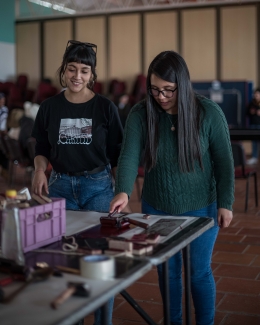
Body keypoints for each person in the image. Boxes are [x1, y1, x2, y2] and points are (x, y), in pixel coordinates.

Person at [110, 51, 234, 325]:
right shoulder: (141, 113)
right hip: (157, 206)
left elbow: (224, 162)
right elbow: (129, 156)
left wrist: (226, 202)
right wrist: (123, 191)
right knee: (168, 272)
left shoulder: (208, 113)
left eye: (169, 90)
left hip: (203, 206)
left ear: (183, 84)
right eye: (154, 89)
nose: (161, 96)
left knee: (198, 272)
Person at [31, 40, 125, 325]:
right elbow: (41, 148)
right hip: (59, 187)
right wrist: (38, 170)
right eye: (71, 69)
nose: (77, 76)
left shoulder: (105, 108)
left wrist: (122, 190)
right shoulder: (49, 107)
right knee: (63, 261)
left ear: (92, 74)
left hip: (98, 188)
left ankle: (102, 321)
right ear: (64, 70)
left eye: (84, 70)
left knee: (99, 262)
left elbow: (119, 155)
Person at [246, 87, 260, 165]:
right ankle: (254, 157)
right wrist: (251, 112)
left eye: (257, 94)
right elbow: (247, 113)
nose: (256, 96)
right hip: (253, 125)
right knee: (254, 142)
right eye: (255, 94)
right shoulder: (251, 103)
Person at [0, 92, 9, 178]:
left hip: (2, 134)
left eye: (3, 100)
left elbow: (4, 124)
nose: (2, 102)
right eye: (1, 100)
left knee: (4, 149)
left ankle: (5, 169)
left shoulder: (5, 110)